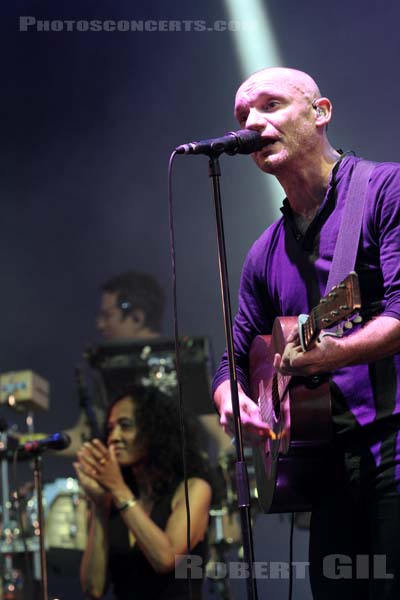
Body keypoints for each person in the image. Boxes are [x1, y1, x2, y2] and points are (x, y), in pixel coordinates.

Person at [212, 67, 400, 599]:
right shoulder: (263, 253)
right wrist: (234, 400)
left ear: (321, 113)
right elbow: (231, 359)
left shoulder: (385, 190)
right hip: (325, 467)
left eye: (270, 105)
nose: (251, 122)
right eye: (242, 115)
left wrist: (336, 353)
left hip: (394, 447)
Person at [74, 386, 212, 600]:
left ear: (153, 430)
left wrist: (118, 490)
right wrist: (99, 506)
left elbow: (165, 559)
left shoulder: (193, 489)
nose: (114, 437)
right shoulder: (114, 500)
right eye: (110, 429)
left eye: (125, 426)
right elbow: (93, 589)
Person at [64, 270, 165, 455]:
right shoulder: (107, 371)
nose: (100, 325)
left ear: (137, 318)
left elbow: (217, 429)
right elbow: (84, 436)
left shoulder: (187, 361)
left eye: (107, 316)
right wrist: (27, 443)